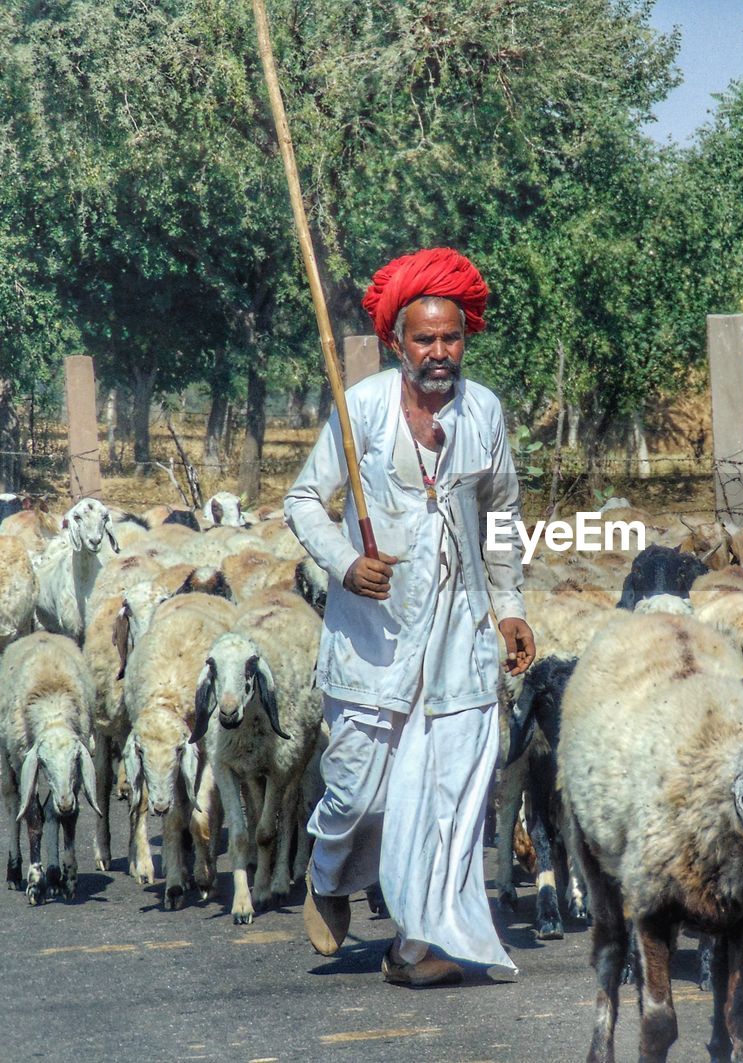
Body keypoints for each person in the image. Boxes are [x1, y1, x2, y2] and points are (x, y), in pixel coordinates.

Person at [283, 246, 536, 987]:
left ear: (466, 338)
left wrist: (510, 606)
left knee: (448, 787)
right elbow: (303, 500)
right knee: (359, 792)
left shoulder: (484, 411)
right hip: (375, 637)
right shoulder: (361, 407)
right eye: (423, 339)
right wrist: (344, 562)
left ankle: (422, 937)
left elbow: (502, 515)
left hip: (455, 636)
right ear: (399, 343)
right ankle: (328, 875)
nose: (438, 352)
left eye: (450, 337)